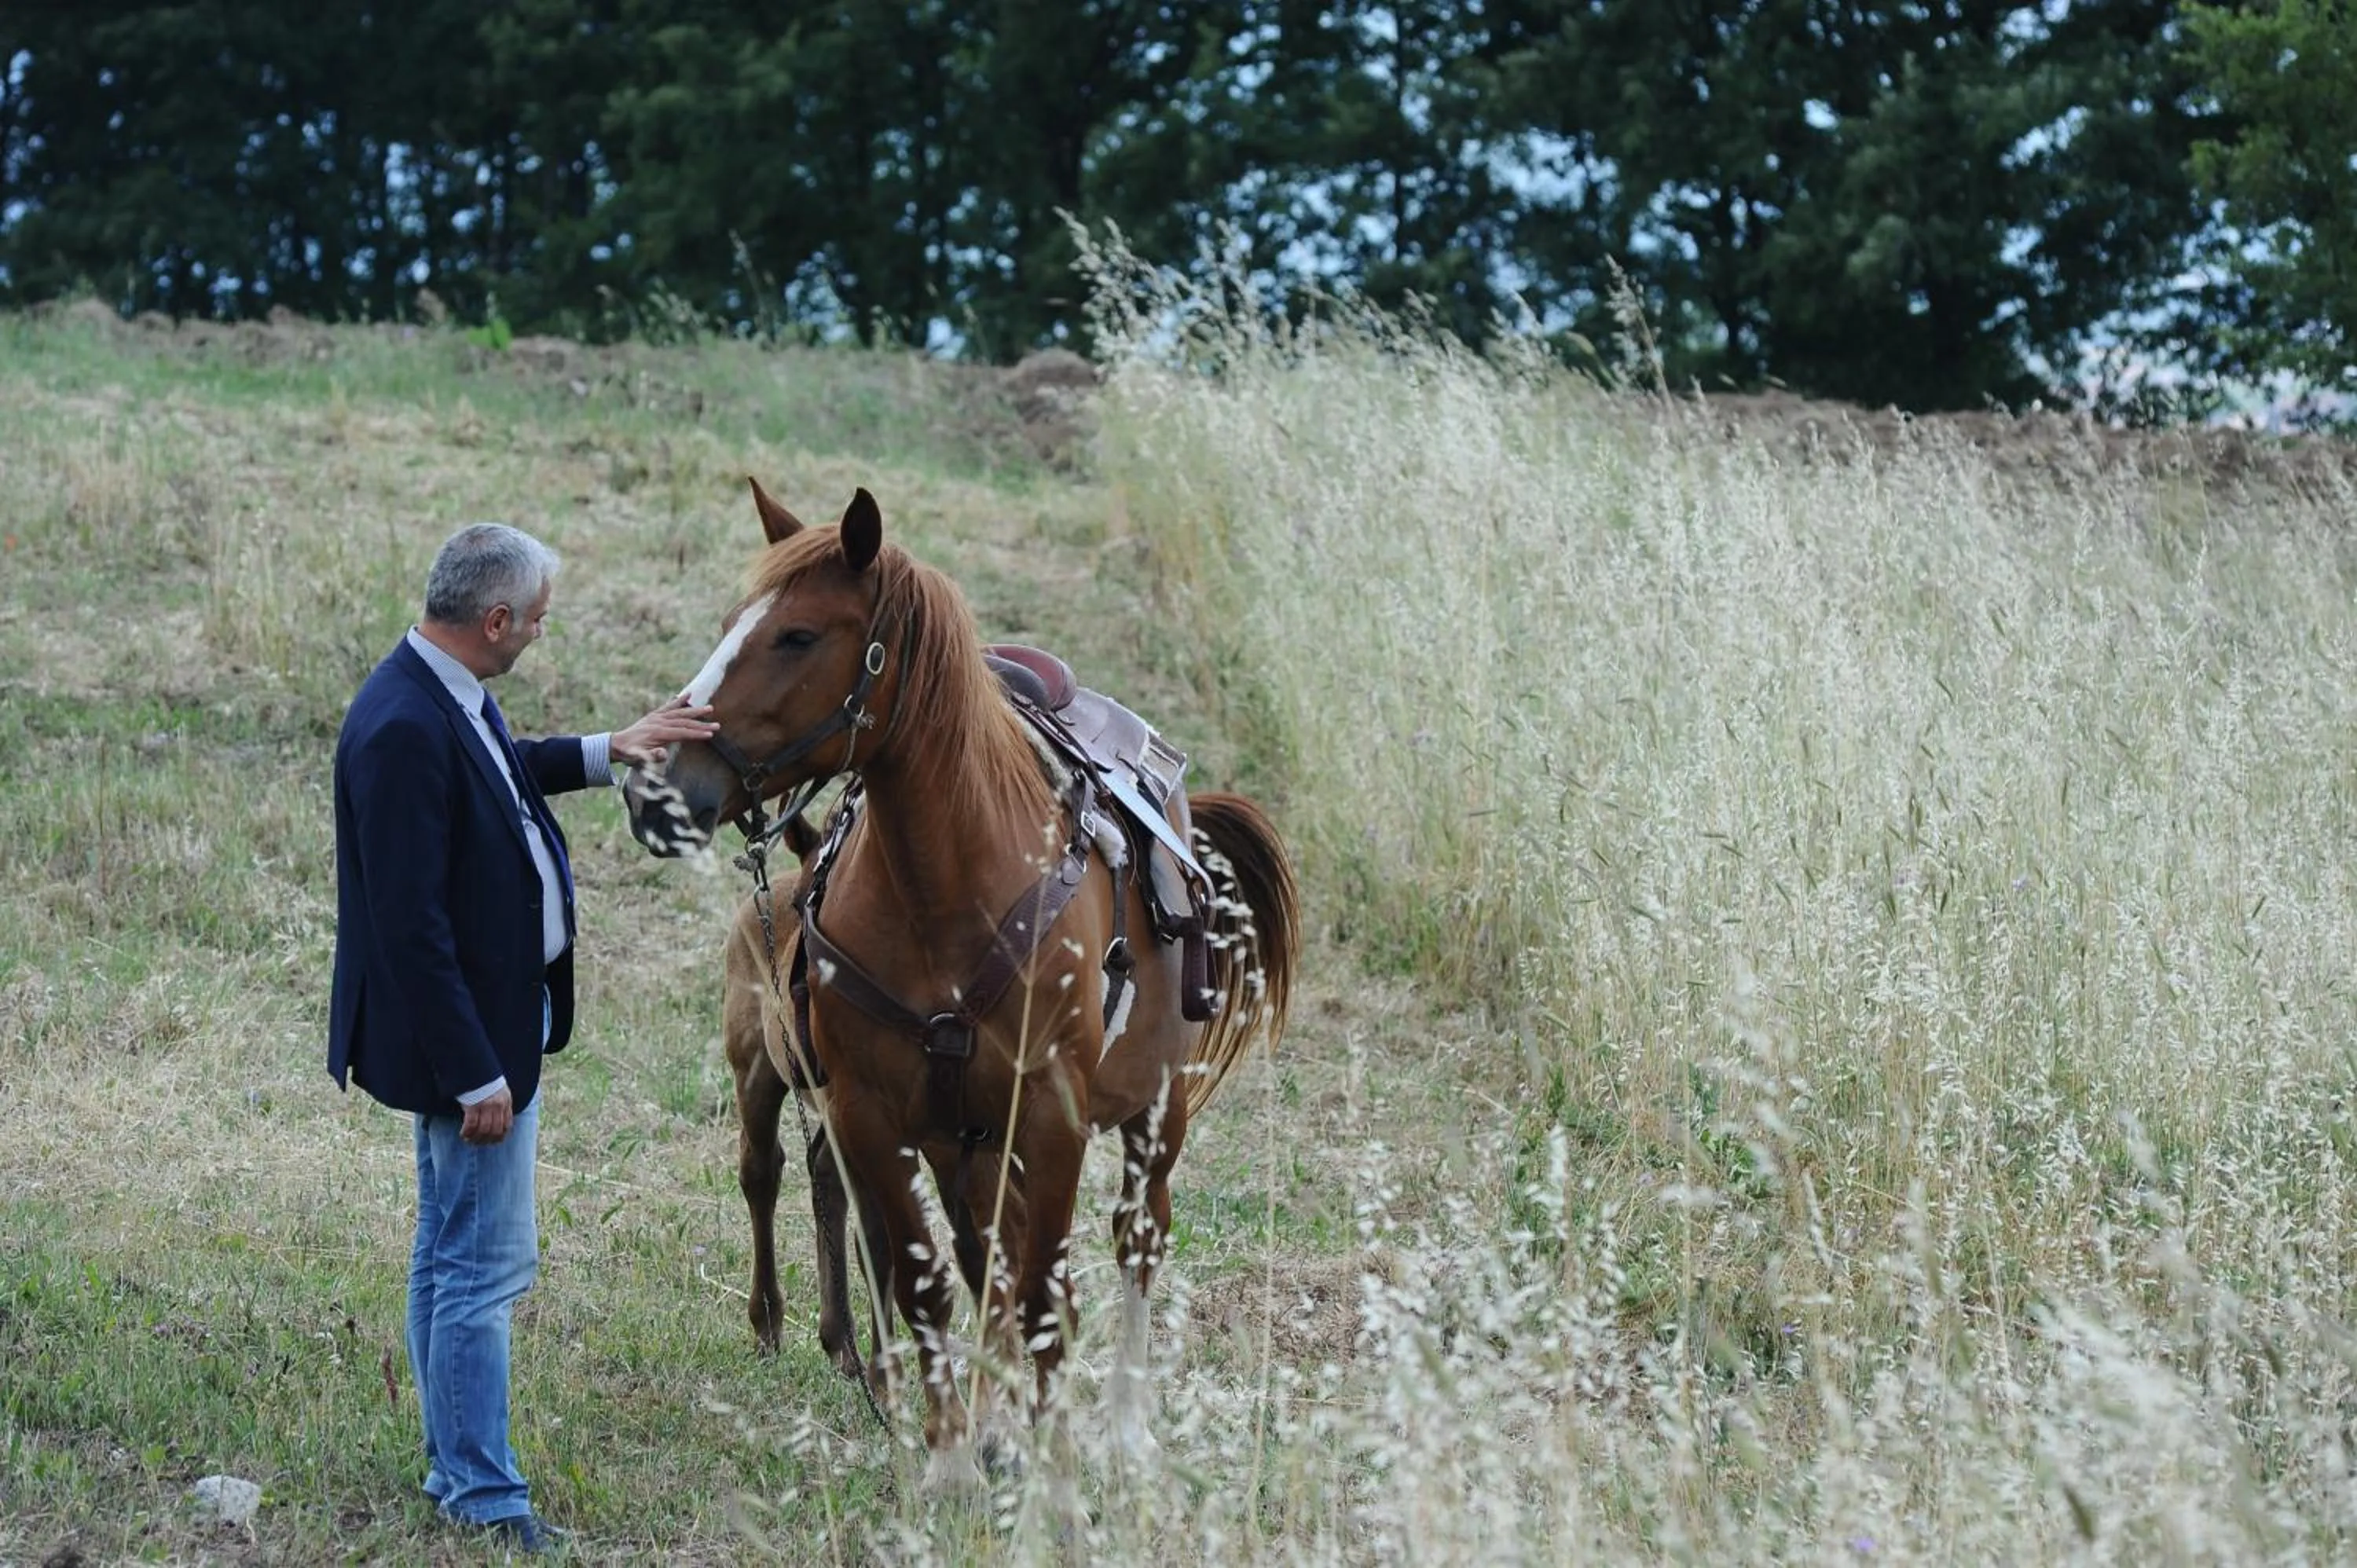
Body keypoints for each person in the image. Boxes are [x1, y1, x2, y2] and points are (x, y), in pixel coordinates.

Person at [328, 522, 715, 1553]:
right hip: (471, 1045)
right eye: (538, 619)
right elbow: (410, 928)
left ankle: (453, 1464)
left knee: (446, 1250)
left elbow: (500, 772)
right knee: (483, 1267)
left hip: (494, 1024)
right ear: (495, 619)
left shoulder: (442, 689)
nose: (544, 633)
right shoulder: (403, 728)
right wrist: (475, 1074)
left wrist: (607, 749)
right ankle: (483, 1495)